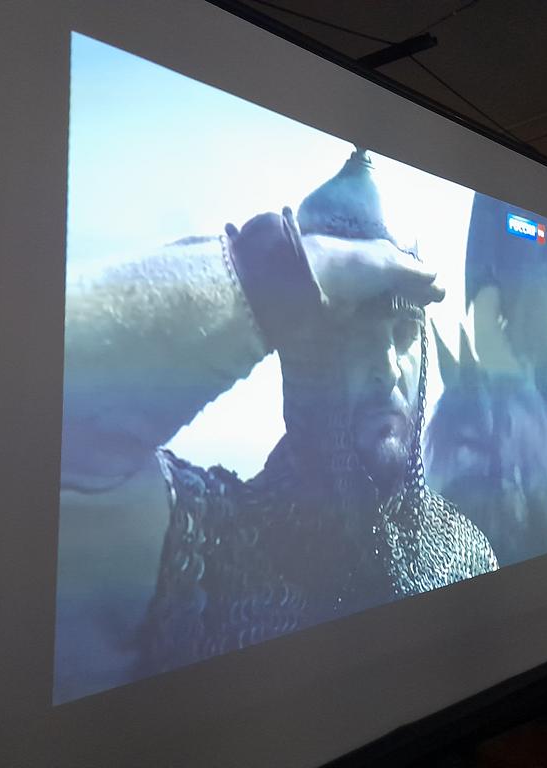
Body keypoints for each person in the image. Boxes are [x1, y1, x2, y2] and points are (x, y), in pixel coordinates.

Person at [57, 149, 497, 701]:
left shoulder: (465, 551)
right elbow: (45, 437)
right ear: (302, 357)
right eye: (356, 334)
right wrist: (279, 272)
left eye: (404, 335)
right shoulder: (214, 551)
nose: (388, 367)